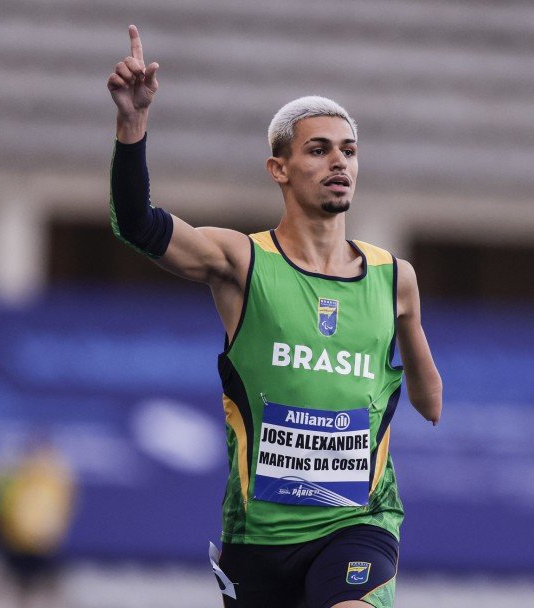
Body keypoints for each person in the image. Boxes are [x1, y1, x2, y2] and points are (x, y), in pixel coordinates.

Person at [107, 25, 443, 608]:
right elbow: (137, 226)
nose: (339, 161)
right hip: (259, 541)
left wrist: (409, 369)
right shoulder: (243, 262)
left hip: (359, 523)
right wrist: (132, 125)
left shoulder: (395, 279)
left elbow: (430, 400)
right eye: (319, 149)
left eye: (349, 150)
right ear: (279, 168)